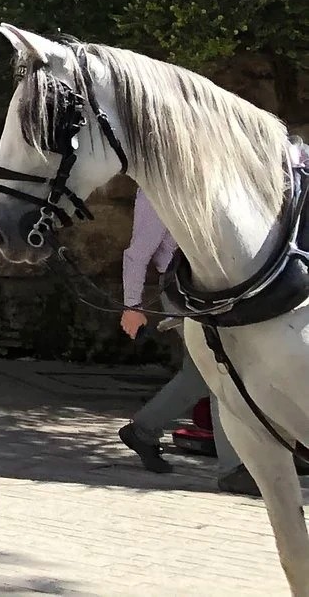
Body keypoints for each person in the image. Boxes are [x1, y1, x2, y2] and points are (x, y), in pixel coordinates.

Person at [117, 189, 244, 488]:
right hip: (182, 291)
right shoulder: (156, 191)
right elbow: (137, 254)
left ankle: (143, 430)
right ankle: (234, 468)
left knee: (199, 374)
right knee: (219, 368)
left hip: (211, 288)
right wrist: (132, 306)